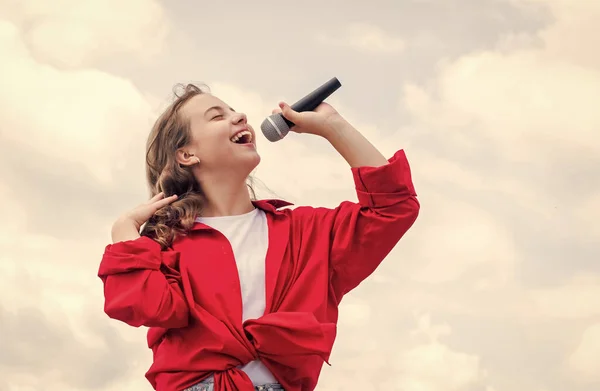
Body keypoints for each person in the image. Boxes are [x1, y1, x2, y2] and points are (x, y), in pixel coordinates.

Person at [98, 83, 420, 391]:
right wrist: (124, 233)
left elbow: (393, 208)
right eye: (217, 115)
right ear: (187, 155)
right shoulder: (166, 246)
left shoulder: (307, 233)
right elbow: (148, 308)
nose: (240, 117)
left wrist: (334, 127)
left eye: (234, 111)